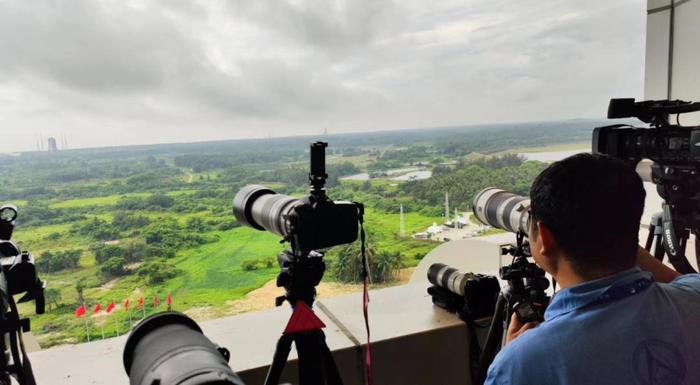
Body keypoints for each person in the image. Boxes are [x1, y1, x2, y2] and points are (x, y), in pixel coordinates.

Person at [485, 153, 700, 385]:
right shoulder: (693, 299)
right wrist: (613, 232)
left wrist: (516, 354)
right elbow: (683, 281)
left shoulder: (521, 364)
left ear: (544, 238)